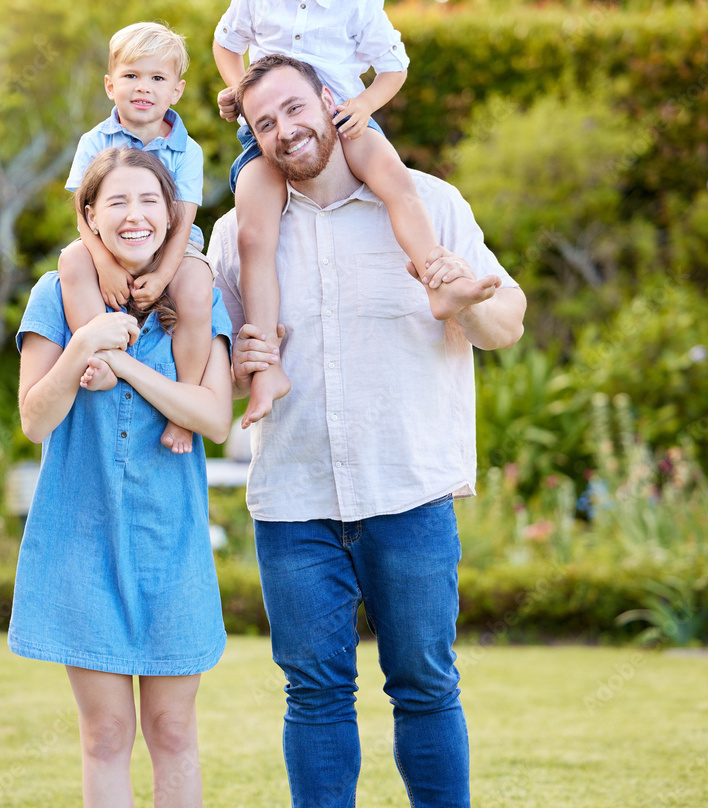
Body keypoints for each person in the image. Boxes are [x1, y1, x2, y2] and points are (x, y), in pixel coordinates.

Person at [209, 55, 527, 808]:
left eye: (294, 108)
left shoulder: (428, 204)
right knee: (314, 693)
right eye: (265, 124)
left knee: (424, 685)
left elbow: (505, 323)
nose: (286, 130)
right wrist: (237, 365)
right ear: (254, 140)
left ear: (329, 100)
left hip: (408, 492)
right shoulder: (238, 235)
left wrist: (462, 304)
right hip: (295, 499)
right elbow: (212, 372)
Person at [213, 0, 487, 429]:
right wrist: (241, 92)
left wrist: (364, 105)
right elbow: (225, 43)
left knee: (396, 186)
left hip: (342, 117)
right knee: (253, 234)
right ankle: (267, 365)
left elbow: (394, 67)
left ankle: (436, 277)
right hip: (275, 133)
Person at [10, 147, 233, 808]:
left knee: (172, 729)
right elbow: (33, 419)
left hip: (173, 542)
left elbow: (215, 419)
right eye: (117, 202)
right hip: (84, 542)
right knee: (106, 733)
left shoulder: (196, 298)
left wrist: (128, 365)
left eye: (149, 201)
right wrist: (84, 344)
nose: (134, 215)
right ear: (90, 217)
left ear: (171, 217)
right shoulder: (56, 296)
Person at [59, 21, 213, 454]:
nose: (143, 87)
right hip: (108, 242)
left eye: (157, 78)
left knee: (199, 286)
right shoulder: (95, 140)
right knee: (72, 262)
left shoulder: (188, 150)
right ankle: (104, 358)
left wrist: (164, 275)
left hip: (172, 247)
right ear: (111, 85)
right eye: (131, 76)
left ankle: (184, 409)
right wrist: (104, 264)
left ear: (176, 91)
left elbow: (183, 220)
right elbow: (82, 211)